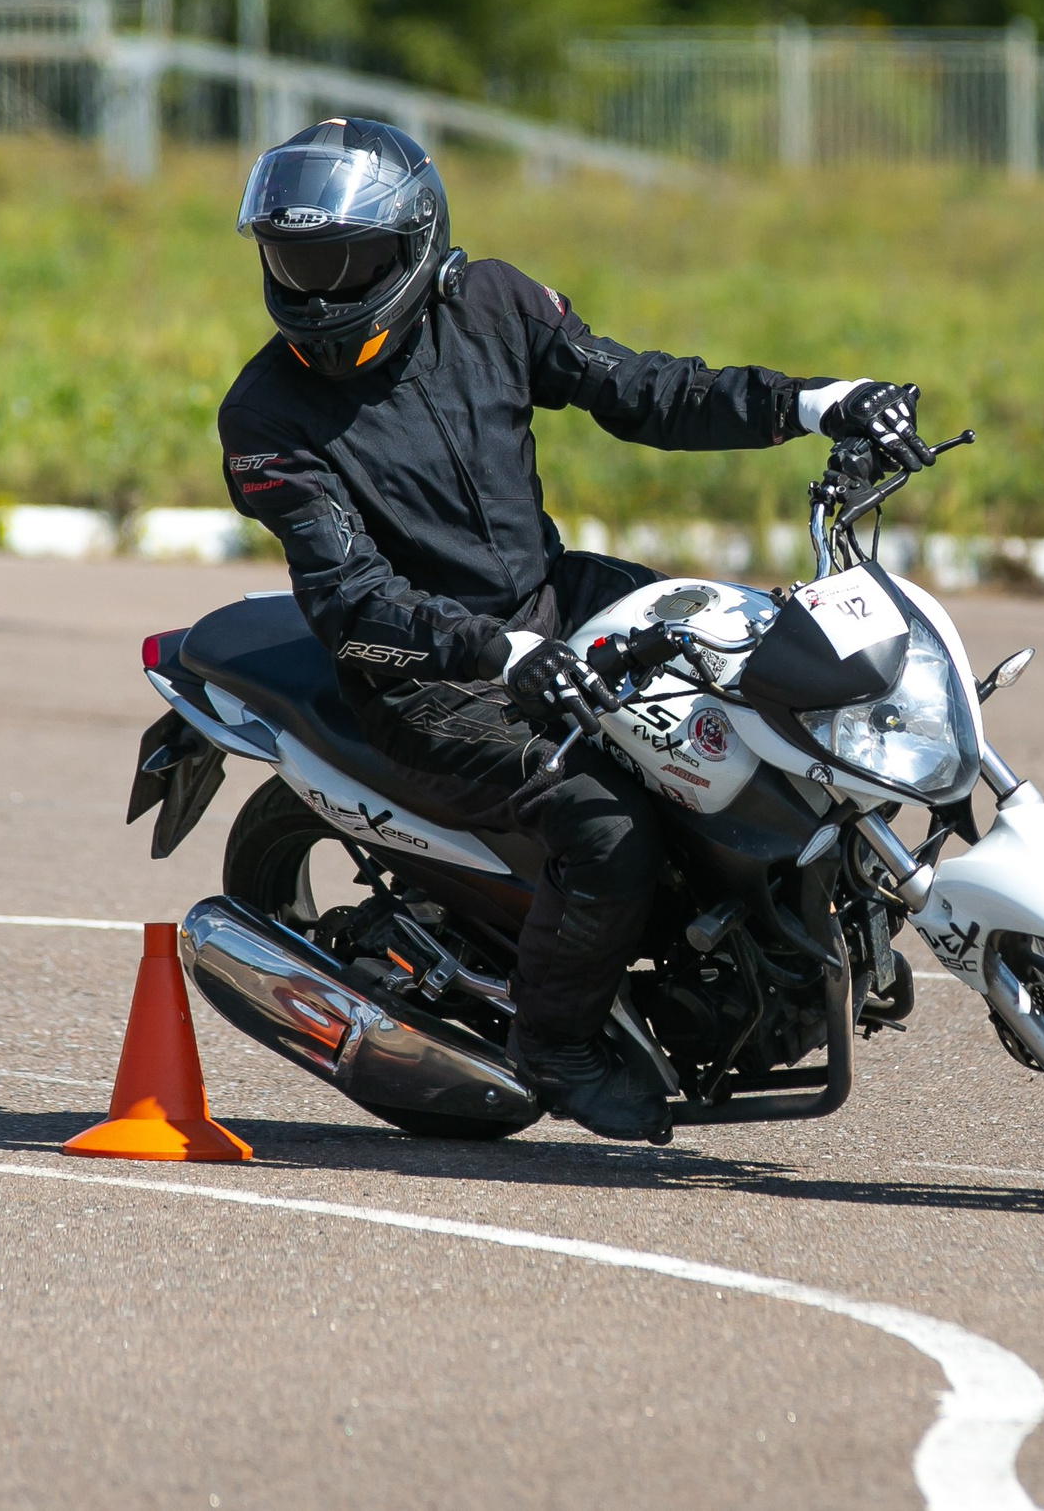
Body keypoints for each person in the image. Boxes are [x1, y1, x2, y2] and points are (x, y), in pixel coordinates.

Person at [217, 117, 931, 1142]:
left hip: (554, 599)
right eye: (296, 262)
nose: (323, 293)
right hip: (426, 676)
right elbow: (350, 601)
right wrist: (498, 652)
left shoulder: (496, 304)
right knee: (606, 827)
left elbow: (644, 389)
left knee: (759, 661)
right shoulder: (266, 416)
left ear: (416, 239)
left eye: (348, 261)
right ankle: (556, 1040)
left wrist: (820, 402)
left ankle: (801, 911)